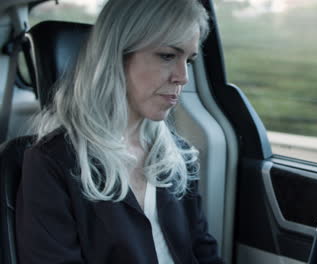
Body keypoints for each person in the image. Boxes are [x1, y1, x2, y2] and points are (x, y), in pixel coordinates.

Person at [15, 0, 224, 263]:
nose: (183, 77)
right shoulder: (52, 163)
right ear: (117, 55)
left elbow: (204, 252)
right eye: (168, 56)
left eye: (189, 60)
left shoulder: (178, 156)